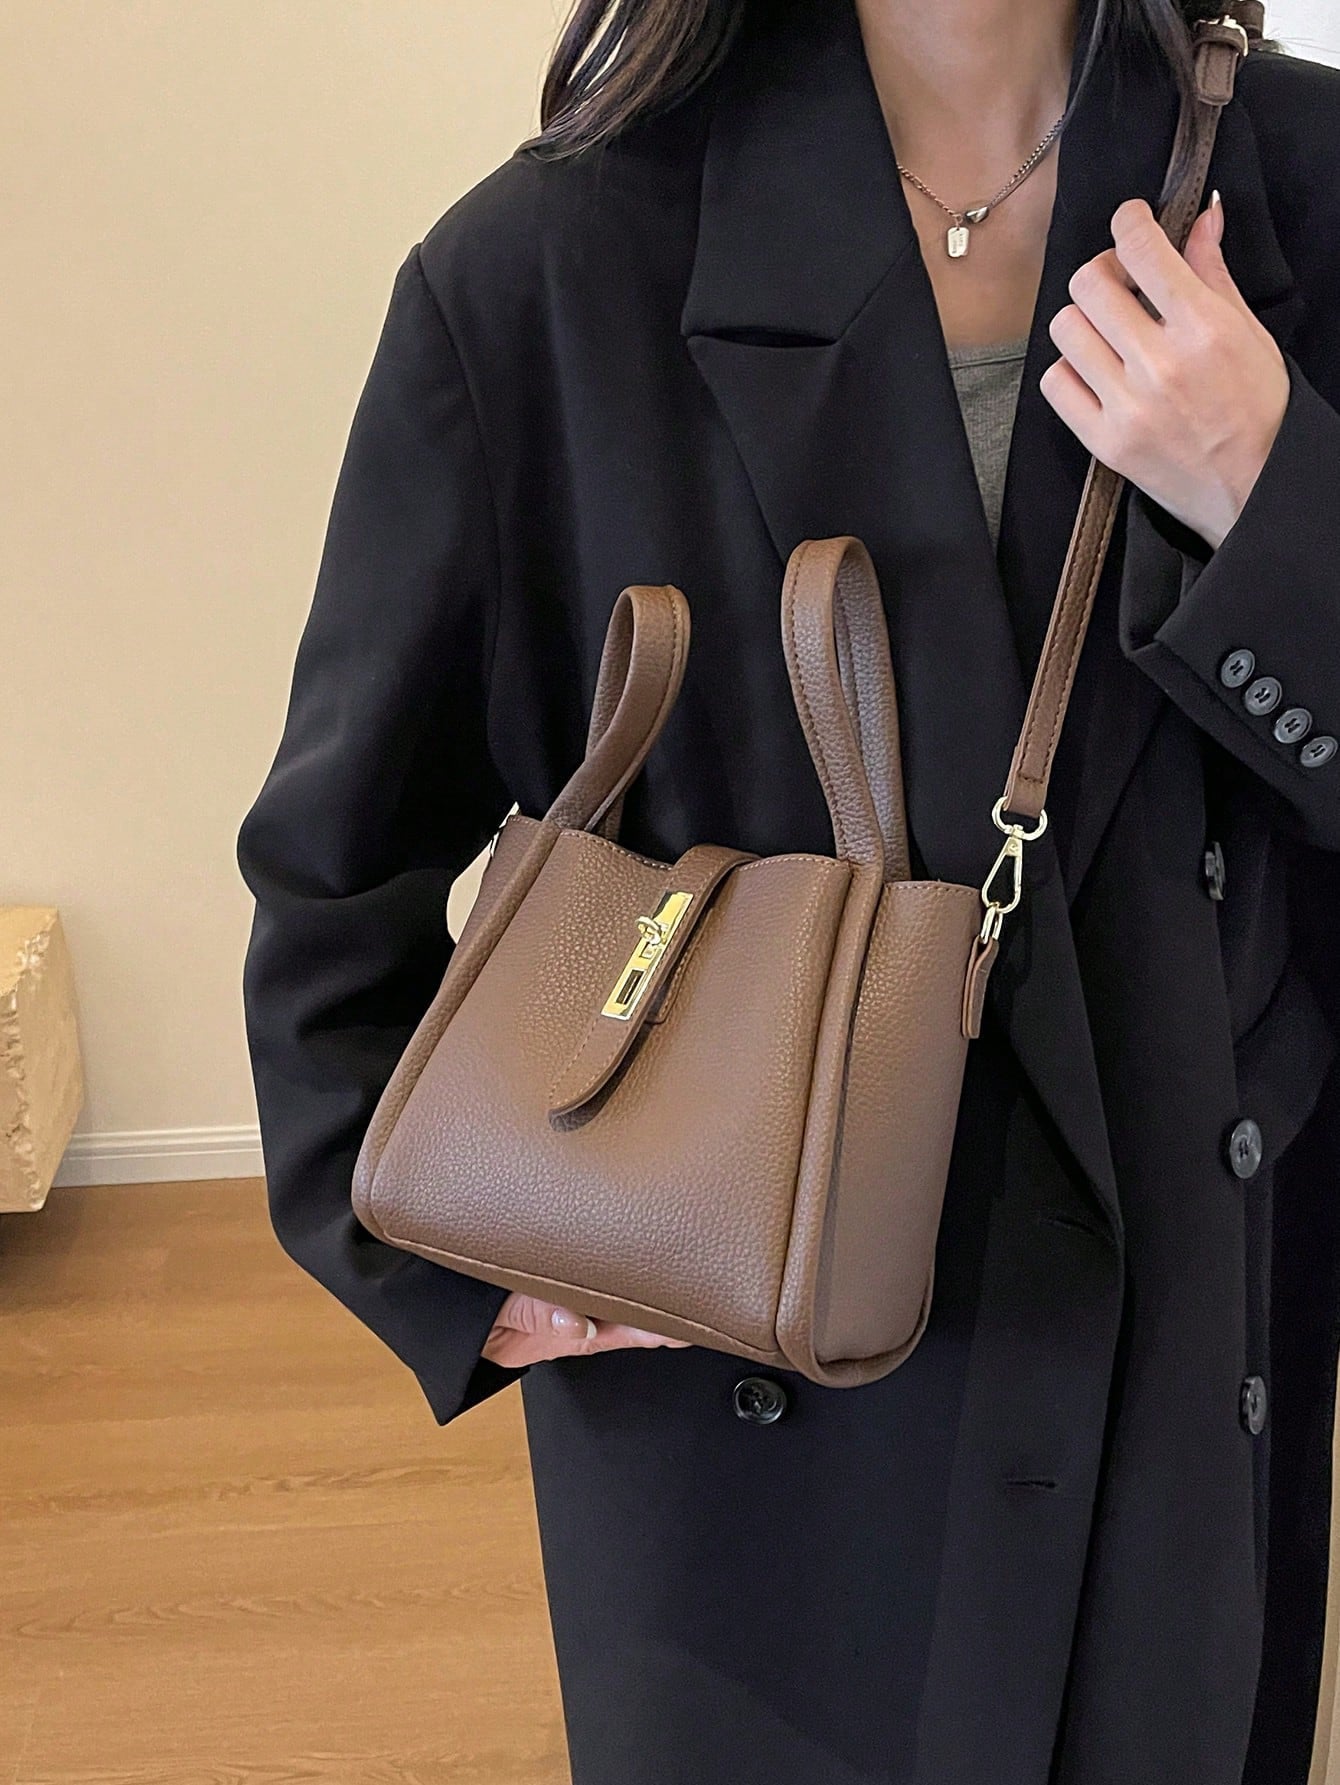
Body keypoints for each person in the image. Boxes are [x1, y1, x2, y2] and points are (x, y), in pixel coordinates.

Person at [235, 0, 1340, 1778]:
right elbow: (329, 896)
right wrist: (456, 1274)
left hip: (1185, 1418)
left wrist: (1276, 497)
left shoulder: (1305, 190)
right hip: (753, 1483)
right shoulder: (540, 272)